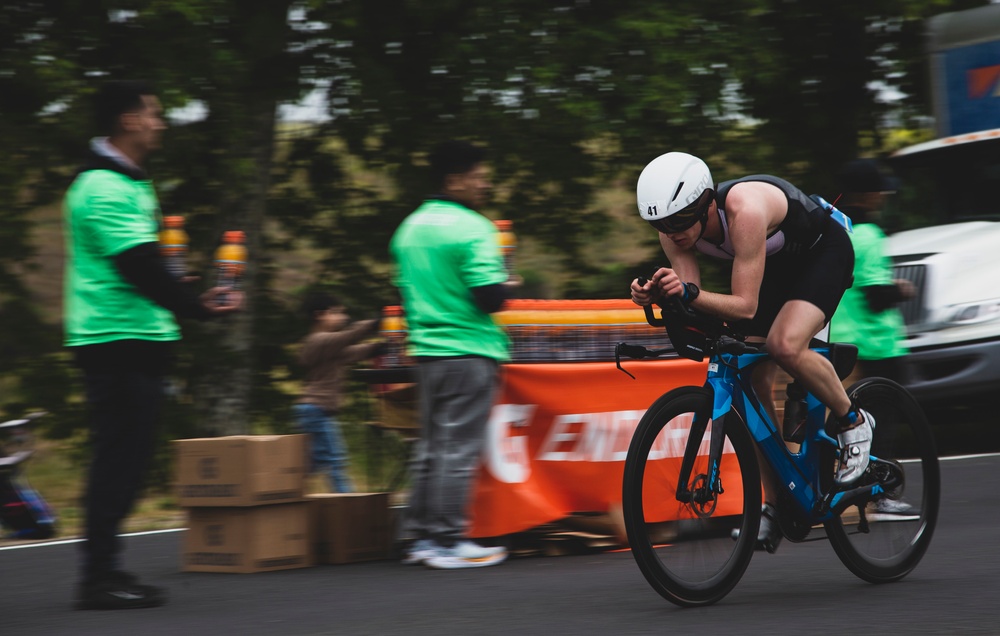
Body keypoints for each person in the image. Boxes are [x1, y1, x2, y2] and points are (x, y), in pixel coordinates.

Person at [629, 152, 869, 553]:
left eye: (678, 220)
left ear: (706, 202)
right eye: (659, 226)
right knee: (753, 378)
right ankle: (773, 506)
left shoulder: (745, 211)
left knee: (784, 345)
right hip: (773, 265)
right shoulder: (674, 232)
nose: (671, 233)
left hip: (823, 251)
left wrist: (687, 291)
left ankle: (853, 420)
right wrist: (659, 293)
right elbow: (693, 301)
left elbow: (745, 306)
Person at [64, 81, 241, 610]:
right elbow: (138, 266)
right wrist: (198, 307)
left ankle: (105, 572)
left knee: (128, 459)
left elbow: (150, 266)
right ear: (127, 121)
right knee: (119, 459)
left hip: (134, 336)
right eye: (154, 114)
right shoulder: (103, 187)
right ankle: (98, 579)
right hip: (114, 338)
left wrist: (187, 298)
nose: (161, 122)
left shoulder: (131, 183)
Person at [389, 140, 511, 570]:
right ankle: (446, 541)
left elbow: (400, 293)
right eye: (478, 176)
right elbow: (489, 297)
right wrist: (507, 285)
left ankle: (417, 538)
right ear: (453, 180)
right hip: (469, 351)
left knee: (431, 447)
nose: (485, 183)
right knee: (457, 449)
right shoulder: (475, 228)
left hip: (425, 353)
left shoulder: (408, 229)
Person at [829, 158, 914, 385]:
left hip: (837, 341)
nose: (884, 195)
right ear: (869, 195)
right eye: (880, 190)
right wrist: (901, 290)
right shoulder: (869, 235)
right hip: (875, 347)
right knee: (882, 416)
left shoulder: (833, 232)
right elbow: (876, 298)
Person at [293, 292, 382, 493]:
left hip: (314, 410)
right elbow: (348, 337)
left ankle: (280, 489)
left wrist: (378, 348)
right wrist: (376, 323)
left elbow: (353, 352)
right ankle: (347, 506)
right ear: (319, 315)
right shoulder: (318, 340)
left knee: (313, 464)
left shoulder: (329, 347)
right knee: (335, 461)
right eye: (336, 313)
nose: (343, 317)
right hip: (317, 410)